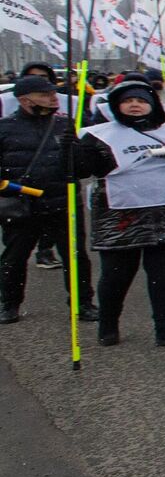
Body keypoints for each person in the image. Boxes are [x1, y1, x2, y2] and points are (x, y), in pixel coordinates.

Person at [73, 78, 165, 349]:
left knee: (163, 273)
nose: (135, 105)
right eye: (128, 101)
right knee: (116, 274)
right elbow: (80, 171)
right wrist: (71, 150)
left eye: (141, 100)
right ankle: (108, 323)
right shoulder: (98, 135)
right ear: (117, 106)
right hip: (121, 213)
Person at [0, 75, 95, 325]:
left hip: (62, 203)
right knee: (14, 257)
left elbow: (82, 170)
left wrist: (74, 150)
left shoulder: (65, 124)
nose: (53, 98)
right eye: (44, 94)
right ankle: (8, 303)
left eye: (53, 93)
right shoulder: (5, 128)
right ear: (24, 100)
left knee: (75, 257)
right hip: (21, 205)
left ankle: (82, 303)